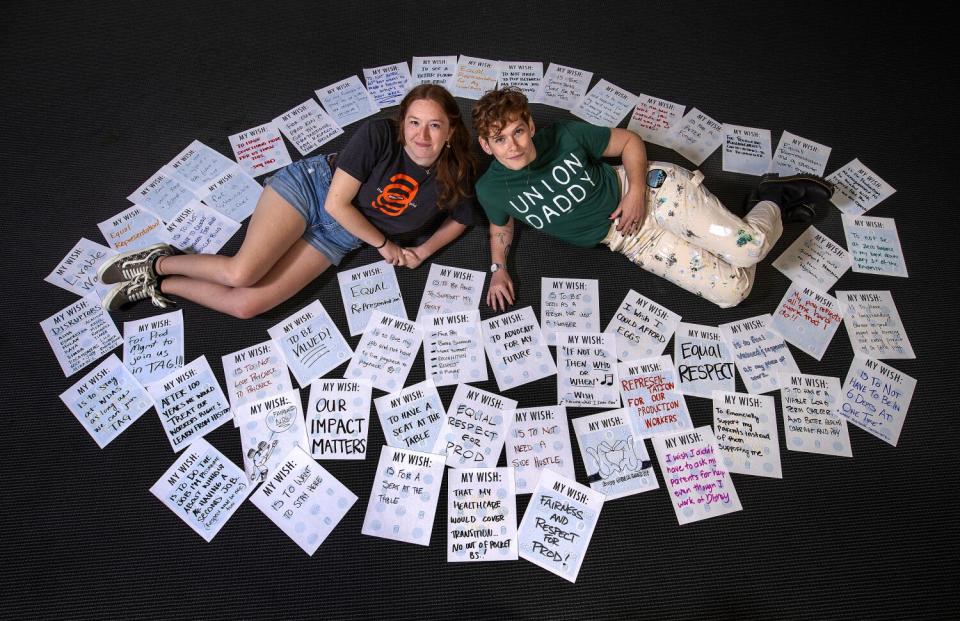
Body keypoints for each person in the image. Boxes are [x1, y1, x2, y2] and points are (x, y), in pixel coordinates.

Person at [98, 84, 478, 318]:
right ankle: (156, 260)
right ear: (402, 122)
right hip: (314, 190)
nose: (421, 135)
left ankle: (158, 285)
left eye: (434, 125)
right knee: (241, 273)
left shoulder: (459, 170)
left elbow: (461, 217)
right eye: (414, 122)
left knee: (246, 305)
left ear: (450, 130)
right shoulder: (380, 133)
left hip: (342, 237)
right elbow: (335, 205)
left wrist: (424, 251)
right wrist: (385, 244)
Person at [471, 88, 834, 310]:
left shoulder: (565, 136)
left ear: (530, 126)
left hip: (653, 192)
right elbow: (499, 226)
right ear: (486, 145)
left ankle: (773, 196)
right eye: (500, 139)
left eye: (518, 131)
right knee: (733, 291)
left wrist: (636, 194)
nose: (513, 145)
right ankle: (749, 221)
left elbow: (630, 141)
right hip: (631, 240)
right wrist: (498, 270)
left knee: (750, 249)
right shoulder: (491, 189)